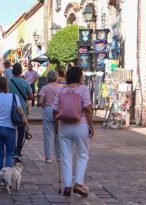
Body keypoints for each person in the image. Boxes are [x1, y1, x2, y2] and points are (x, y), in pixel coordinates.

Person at [53, 66, 94, 197]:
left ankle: (67, 186)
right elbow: (87, 108)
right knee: (82, 155)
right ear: (79, 76)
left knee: (66, 157)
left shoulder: (61, 90)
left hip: (64, 126)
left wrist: (56, 126)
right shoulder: (83, 89)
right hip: (80, 125)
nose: (83, 78)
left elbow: (54, 110)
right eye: (82, 75)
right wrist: (91, 126)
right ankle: (79, 183)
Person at [0, 77, 29, 174]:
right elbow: (22, 114)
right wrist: (28, 128)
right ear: (7, 86)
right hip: (10, 129)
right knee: (10, 154)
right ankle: (8, 178)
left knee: (0, 154)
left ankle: (0, 178)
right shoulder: (14, 97)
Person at [7, 63, 33, 162]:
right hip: (22, 108)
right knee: (21, 131)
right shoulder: (25, 83)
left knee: (12, 130)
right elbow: (30, 96)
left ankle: (13, 150)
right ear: (21, 71)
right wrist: (24, 97)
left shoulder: (8, 82)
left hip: (10, 108)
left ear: (12, 71)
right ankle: (18, 151)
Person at [38, 71, 62, 163]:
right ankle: (59, 156)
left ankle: (48, 157)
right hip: (58, 110)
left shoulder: (45, 88)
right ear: (56, 78)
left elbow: (40, 101)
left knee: (47, 134)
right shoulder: (61, 88)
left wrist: (45, 106)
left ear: (47, 78)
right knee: (58, 133)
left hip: (48, 109)